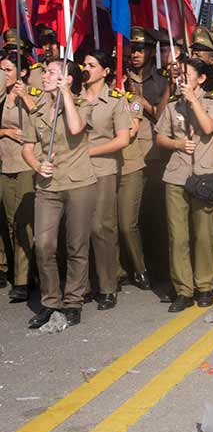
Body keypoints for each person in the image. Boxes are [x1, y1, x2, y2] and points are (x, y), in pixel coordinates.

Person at [22, 59, 96, 328]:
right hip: (48, 185)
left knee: (76, 245)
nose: (44, 76)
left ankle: (74, 301)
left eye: (51, 72)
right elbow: (27, 148)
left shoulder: (82, 103)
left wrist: (66, 93)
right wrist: (37, 165)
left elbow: (76, 128)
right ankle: (51, 302)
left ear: (67, 79)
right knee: (44, 245)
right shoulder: (37, 109)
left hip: (78, 183)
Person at [154, 57, 213, 311]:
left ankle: (205, 285)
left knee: (204, 234)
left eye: (186, 74)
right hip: (177, 175)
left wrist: (193, 100)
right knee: (178, 235)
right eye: (178, 74)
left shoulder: (212, 98)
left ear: (201, 78)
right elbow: (160, 136)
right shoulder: (173, 105)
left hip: (205, 174)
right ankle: (183, 289)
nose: (180, 78)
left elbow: (207, 127)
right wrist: (177, 144)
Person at [80, 50, 133, 310]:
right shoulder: (73, 97)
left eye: (92, 64)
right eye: (84, 63)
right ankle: (84, 285)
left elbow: (122, 139)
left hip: (102, 168)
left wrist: (88, 151)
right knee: (78, 227)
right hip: (74, 171)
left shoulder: (115, 100)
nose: (86, 68)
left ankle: (108, 285)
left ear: (105, 71)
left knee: (101, 227)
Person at [118, 26, 168, 291]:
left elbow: (161, 115)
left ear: (150, 52)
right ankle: (133, 267)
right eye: (132, 49)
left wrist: (139, 98)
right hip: (126, 155)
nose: (134, 54)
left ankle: (159, 265)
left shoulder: (160, 82)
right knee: (129, 218)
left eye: (140, 49)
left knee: (154, 214)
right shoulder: (119, 78)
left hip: (154, 155)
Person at [0, 53, 34, 303]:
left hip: (25, 163)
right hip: (4, 163)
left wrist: (25, 96)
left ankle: (23, 280)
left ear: (21, 72)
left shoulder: (32, 93)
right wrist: (6, 131)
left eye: (8, 69)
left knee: (23, 222)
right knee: (9, 221)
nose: (4, 74)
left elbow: (44, 118)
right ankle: (11, 270)